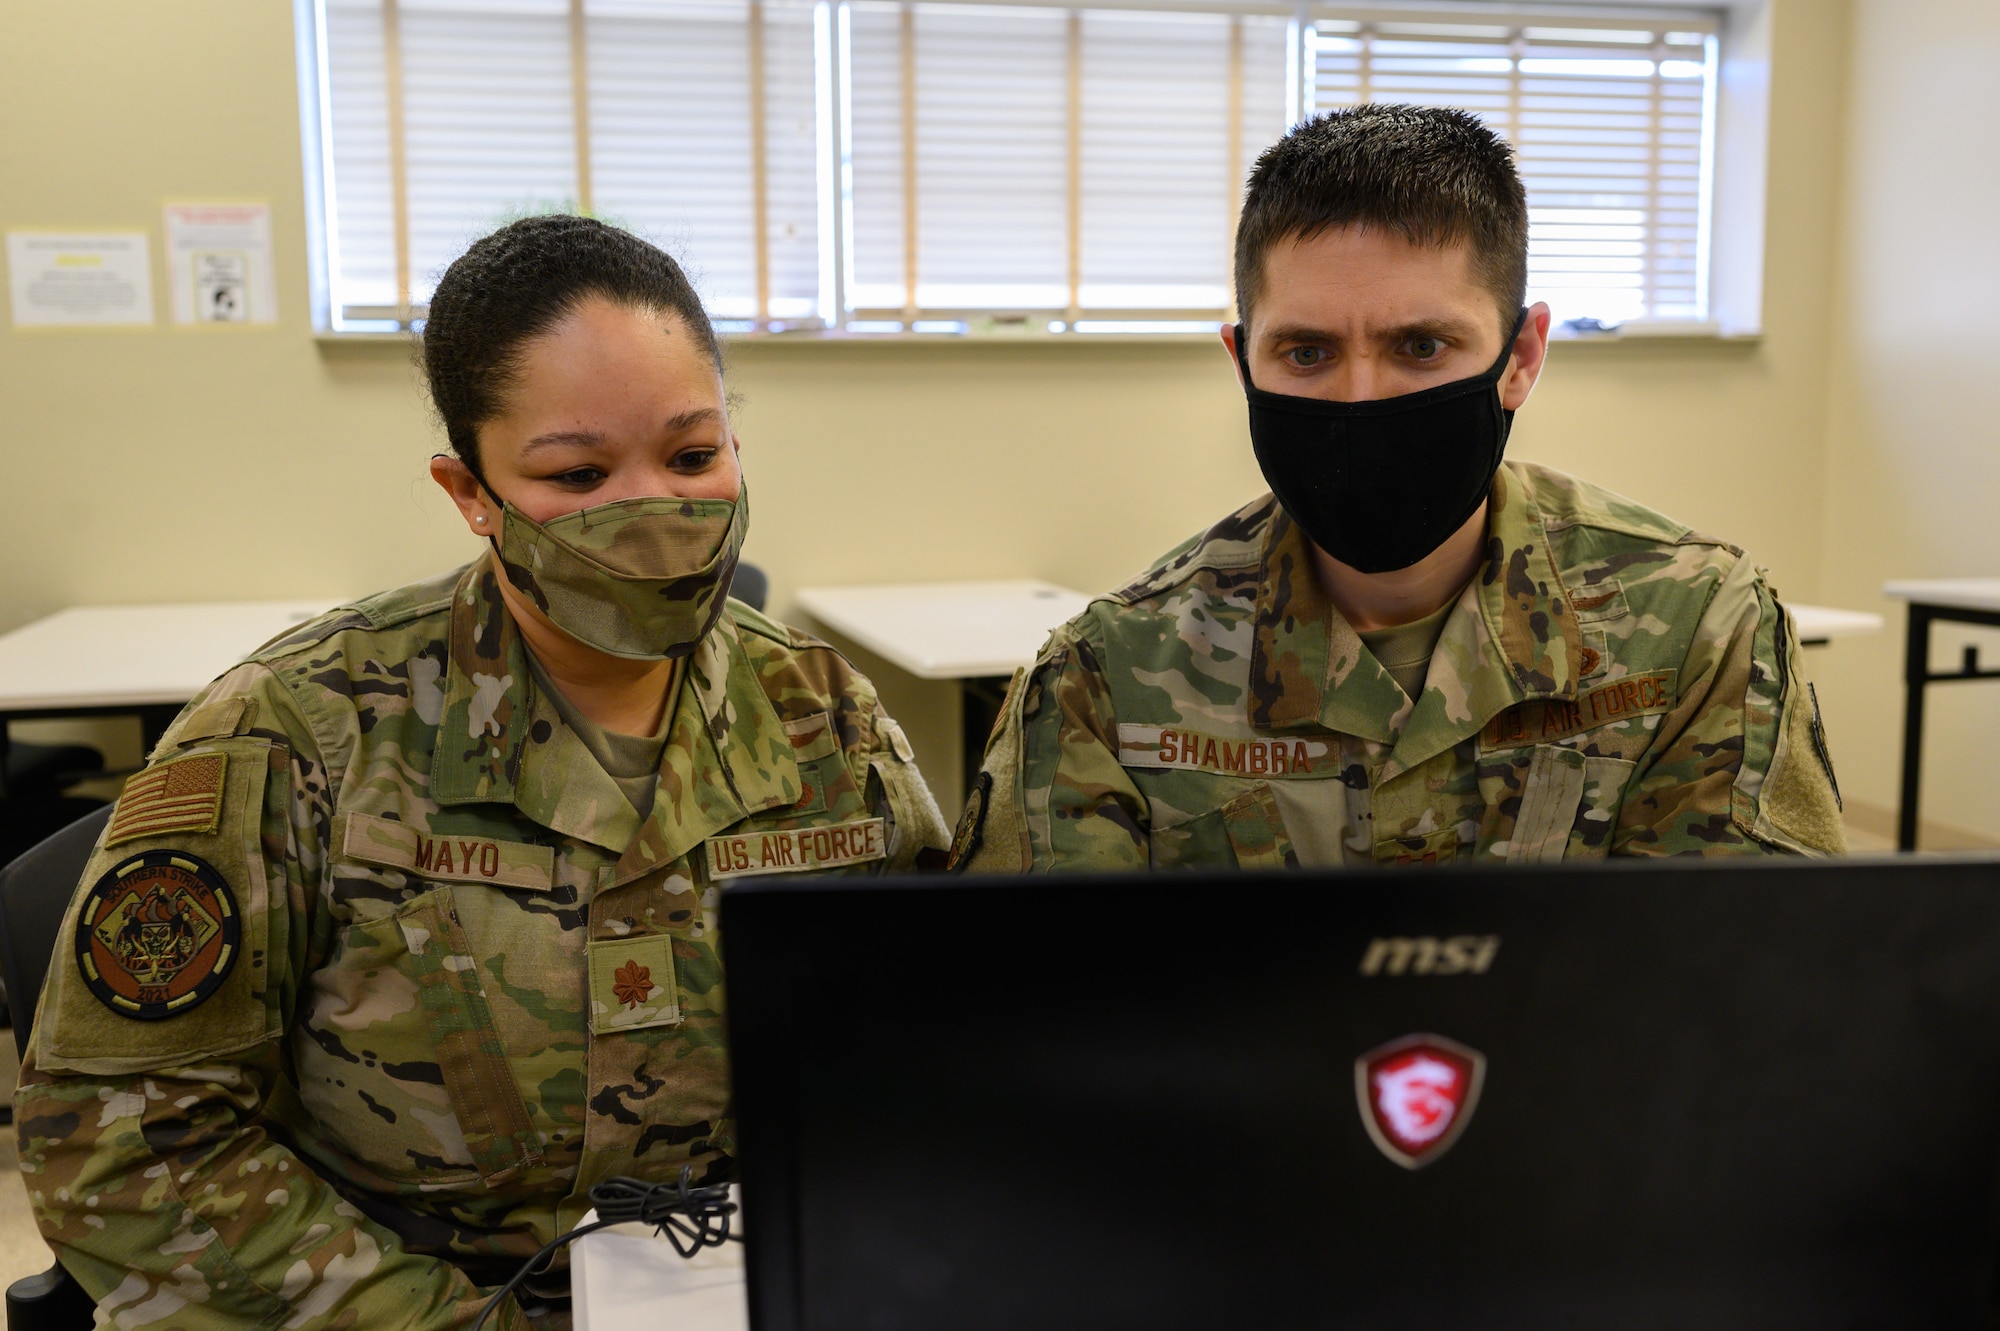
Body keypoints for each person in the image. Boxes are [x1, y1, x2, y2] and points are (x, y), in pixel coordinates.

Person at [16, 215, 950, 1327]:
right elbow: (120, 1138)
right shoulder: (299, 733)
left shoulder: (822, 716)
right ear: (470, 492)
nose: (650, 506)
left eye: (693, 455)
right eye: (579, 471)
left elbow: (931, 1045)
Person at [954, 106, 1845, 872]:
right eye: (1307, 353)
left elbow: (1748, 997)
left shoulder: (1699, 626)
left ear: (1520, 359)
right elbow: (1042, 1022)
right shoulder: (1107, 675)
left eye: (1421, 347)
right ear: (1244, 362)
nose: (1361, 399)